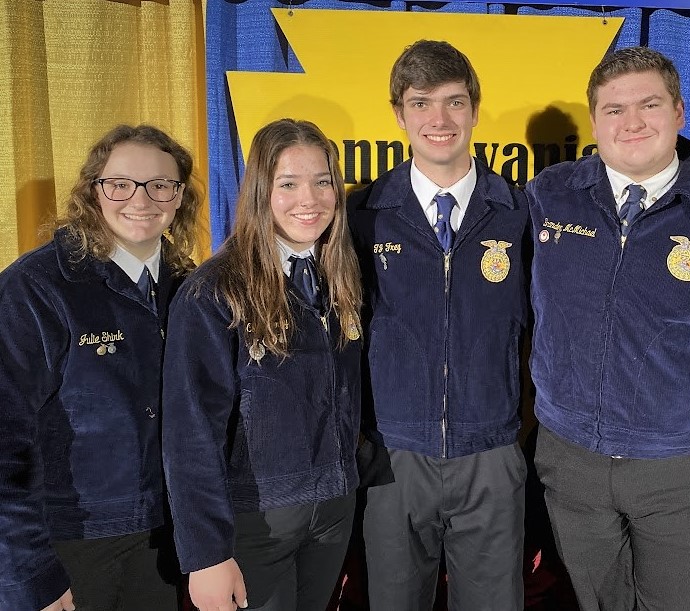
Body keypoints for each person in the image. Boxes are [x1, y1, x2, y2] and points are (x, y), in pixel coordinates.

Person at [525, 46, 690, 610]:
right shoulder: (549, 196)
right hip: (571, 459)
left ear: (678, 110)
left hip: (682, 467)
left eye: (648, 105)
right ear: (594, 121)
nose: (631, 123)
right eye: (613, 110)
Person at [348, 40, 530, 611]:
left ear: (475, 108)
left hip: (493, 452)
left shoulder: (522, 212)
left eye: (454, 102)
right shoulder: (361, 215)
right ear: (398, 114)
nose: (439, 120)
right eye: (421, 103)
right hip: (393, 456)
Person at [162, 118, 362, 611]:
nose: (308, 200)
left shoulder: (343, 277)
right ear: (259, 191)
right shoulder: (214, 292)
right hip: (256, 520)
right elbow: (190, 432)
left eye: (321, 182)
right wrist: (206, 554)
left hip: (333, 510)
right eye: (288, 184)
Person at [0, 124, 201, 611]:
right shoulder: (36, 288)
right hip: (69, 543)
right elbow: (6, 443)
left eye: (160, 185)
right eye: (120, 184)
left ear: (179, 198)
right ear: (93, 191)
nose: (140, 199)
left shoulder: (189, 286)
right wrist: (29, 575)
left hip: (166, 539)